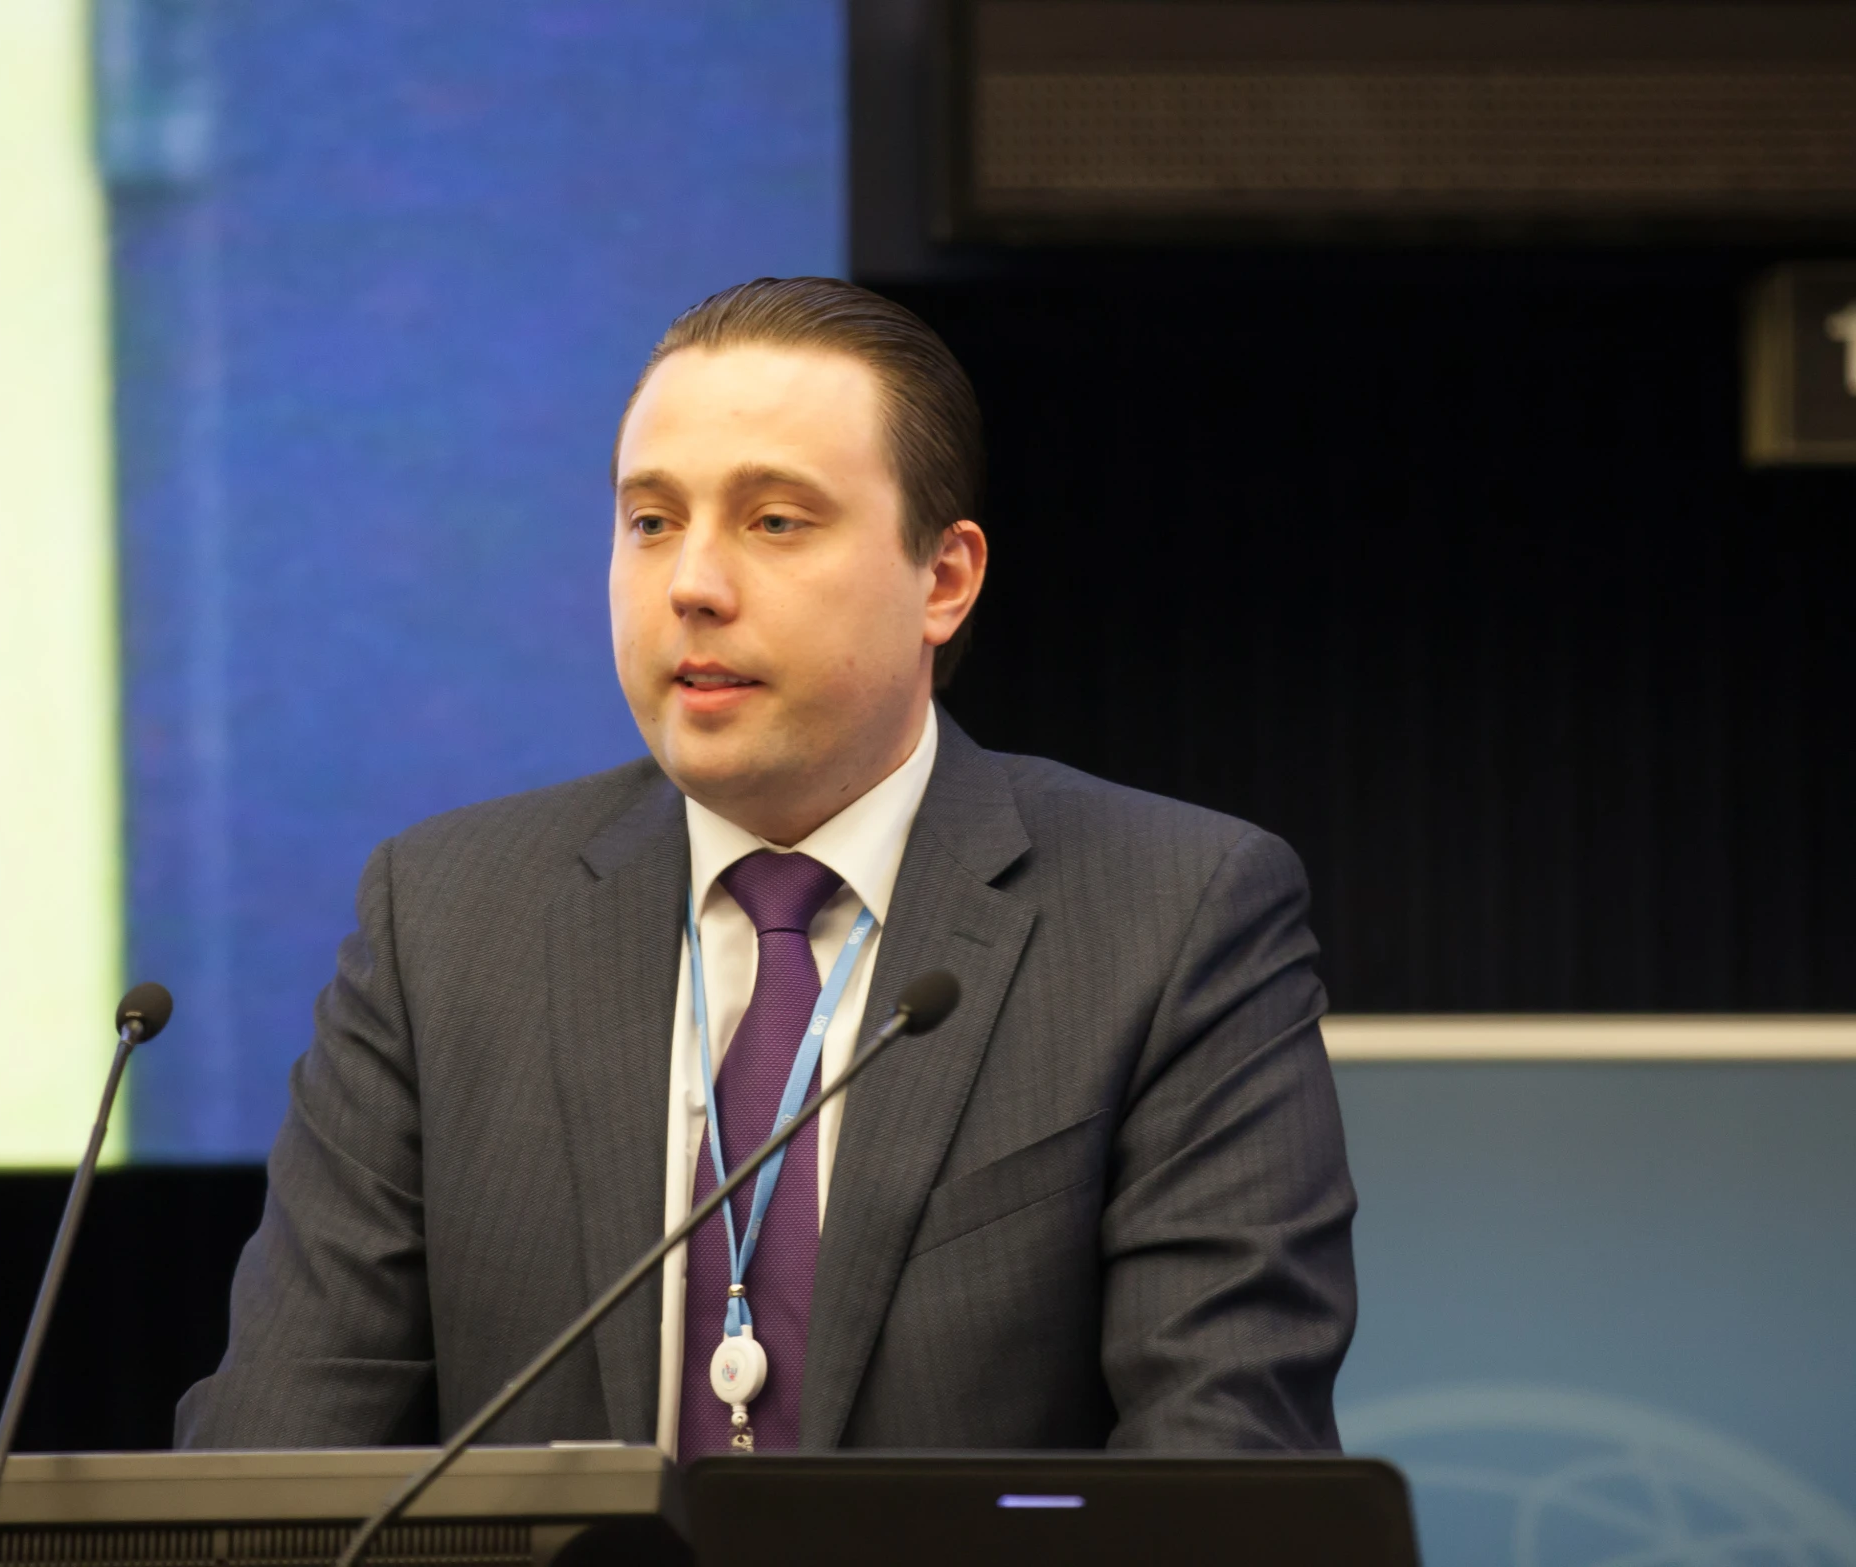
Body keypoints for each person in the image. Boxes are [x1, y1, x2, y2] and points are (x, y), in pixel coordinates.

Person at [176, 277, 1356, 1459]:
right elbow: (275, 1456)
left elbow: (1219, 1462)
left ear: (942, 579)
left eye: (773, 520)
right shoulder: (443, 920)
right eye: (650, 521)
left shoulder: (1171, 914)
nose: (690, 583)